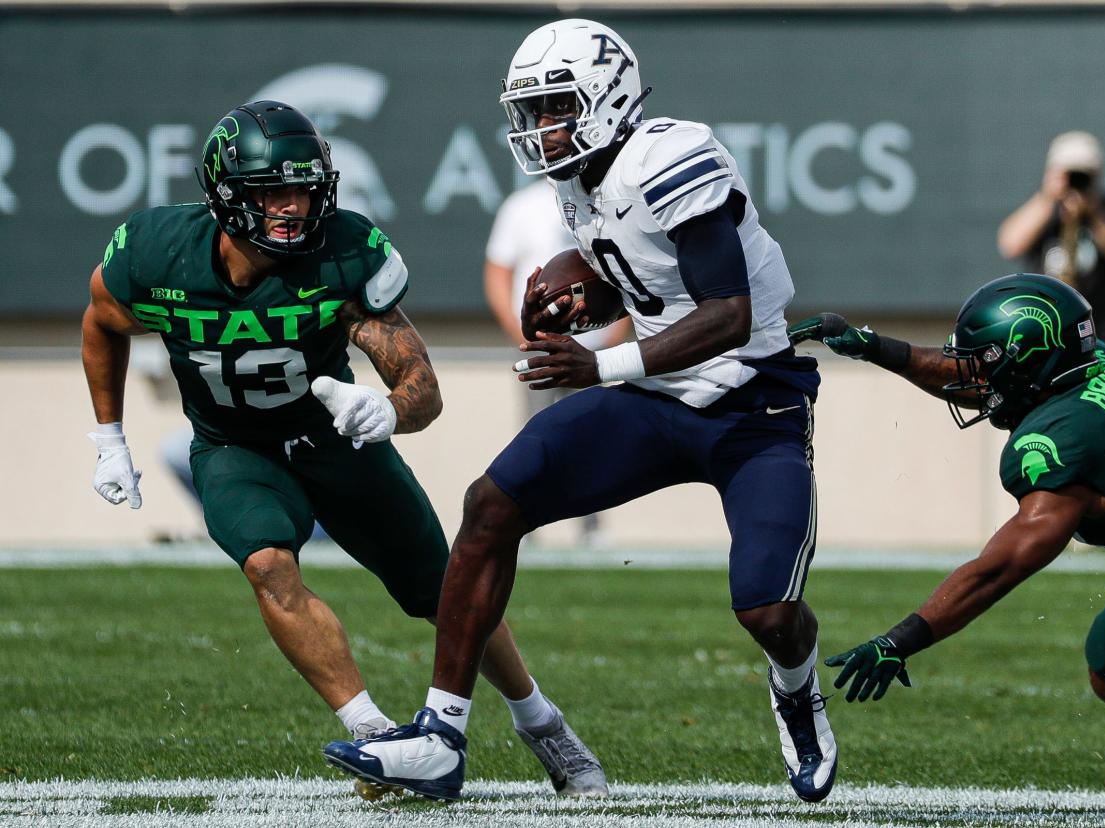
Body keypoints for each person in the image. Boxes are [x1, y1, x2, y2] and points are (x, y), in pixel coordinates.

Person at [324, 19, 835, 804]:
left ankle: (796, 688)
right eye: (532, 110)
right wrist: (579, 280)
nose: (541, 127)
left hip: (752, 405)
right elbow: (641, 274)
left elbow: (726, 311)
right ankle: (441, 734)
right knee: (491, 505)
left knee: (768, 609)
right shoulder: (576, 179)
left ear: (605, 96)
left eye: (555, 105)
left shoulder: (669, 155)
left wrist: (601, 363)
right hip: (660, 402)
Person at [81, 100, 606, 800]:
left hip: (335, 441)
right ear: (227, 197)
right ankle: (374, 733)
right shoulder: (157, 253)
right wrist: (109, 435)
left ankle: (541, 721)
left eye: (303, 188)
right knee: (268, 564)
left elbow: (423, 385)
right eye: (273, 192)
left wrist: (385, 410)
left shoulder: (343, 253)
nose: (293, 206)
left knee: (442, 591)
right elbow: (101, 321)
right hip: (235, 446)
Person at [791, 273, 1105, 807]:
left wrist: (903, 639)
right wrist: (874, 347)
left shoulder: (1060, 444)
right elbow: (974, 373)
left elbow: (1000, 568)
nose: (971, 377)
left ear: (1030, 362)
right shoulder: (1097, 362)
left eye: (985, 362)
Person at [483, 179, 630, 545]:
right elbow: (498, 273)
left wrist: (614, 335)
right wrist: (522, 332)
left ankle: (591, 525)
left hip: (593, 350)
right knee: (535, 436)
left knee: (590, 435)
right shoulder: (522, 206)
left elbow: (628, 276)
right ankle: (527, 520)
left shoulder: (606, 201)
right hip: (541, 347)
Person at [997, 131, 1105, 345]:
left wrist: (1094, 215)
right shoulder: (1043, 209)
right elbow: (1010, 244)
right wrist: (1047, 197)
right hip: (1052, 332)